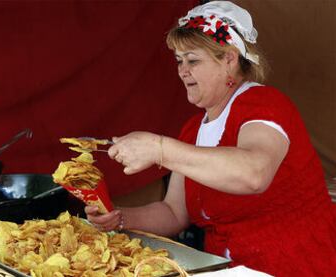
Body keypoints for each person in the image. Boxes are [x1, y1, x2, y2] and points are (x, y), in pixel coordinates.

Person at [85, 1, 336, 276]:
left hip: (293, 265)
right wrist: (118, 218)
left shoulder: (265, 105)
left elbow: (254, 173)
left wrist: (159, 148)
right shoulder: (193, 130)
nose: (182, 70)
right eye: (179, 61)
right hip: (223, 267)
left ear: (229, 59)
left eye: (193, 60)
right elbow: (173, 212)